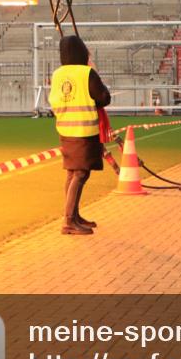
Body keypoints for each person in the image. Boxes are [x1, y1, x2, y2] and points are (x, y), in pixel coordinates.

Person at [48, 35, 111, 236]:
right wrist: (94, 72)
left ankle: (73, 215)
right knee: (81, 173)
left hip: (65, 129)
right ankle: (69, 221)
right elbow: (103, 98)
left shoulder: (57, 74)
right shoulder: (86, 73)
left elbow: (53, 101)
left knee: (72, 173)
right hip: (84, 130)